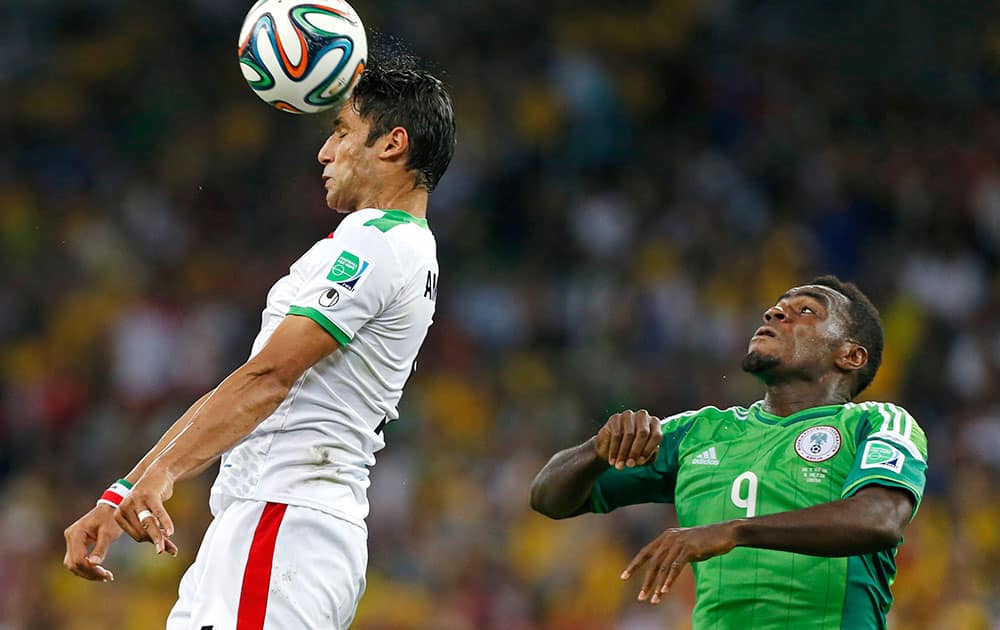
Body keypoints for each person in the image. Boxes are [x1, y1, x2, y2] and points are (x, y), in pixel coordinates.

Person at [62, 62, 456, 629]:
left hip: (286, 524)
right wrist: (124, 489)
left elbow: (269, 379)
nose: (325, 152)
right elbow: (251, 379)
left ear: (394, 144)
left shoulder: (379, 245)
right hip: (264, 525)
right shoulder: (396, 248)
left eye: (341, 131)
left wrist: (165, 474)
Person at [530, 276, 927, 629]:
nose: (775, 313)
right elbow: (548, 497)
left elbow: (880, 518)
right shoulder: (697, 432)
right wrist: (597, 450)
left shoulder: (875, 423)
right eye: (777, 307)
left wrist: (735, 530)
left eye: (805, 310)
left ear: (850, 356)